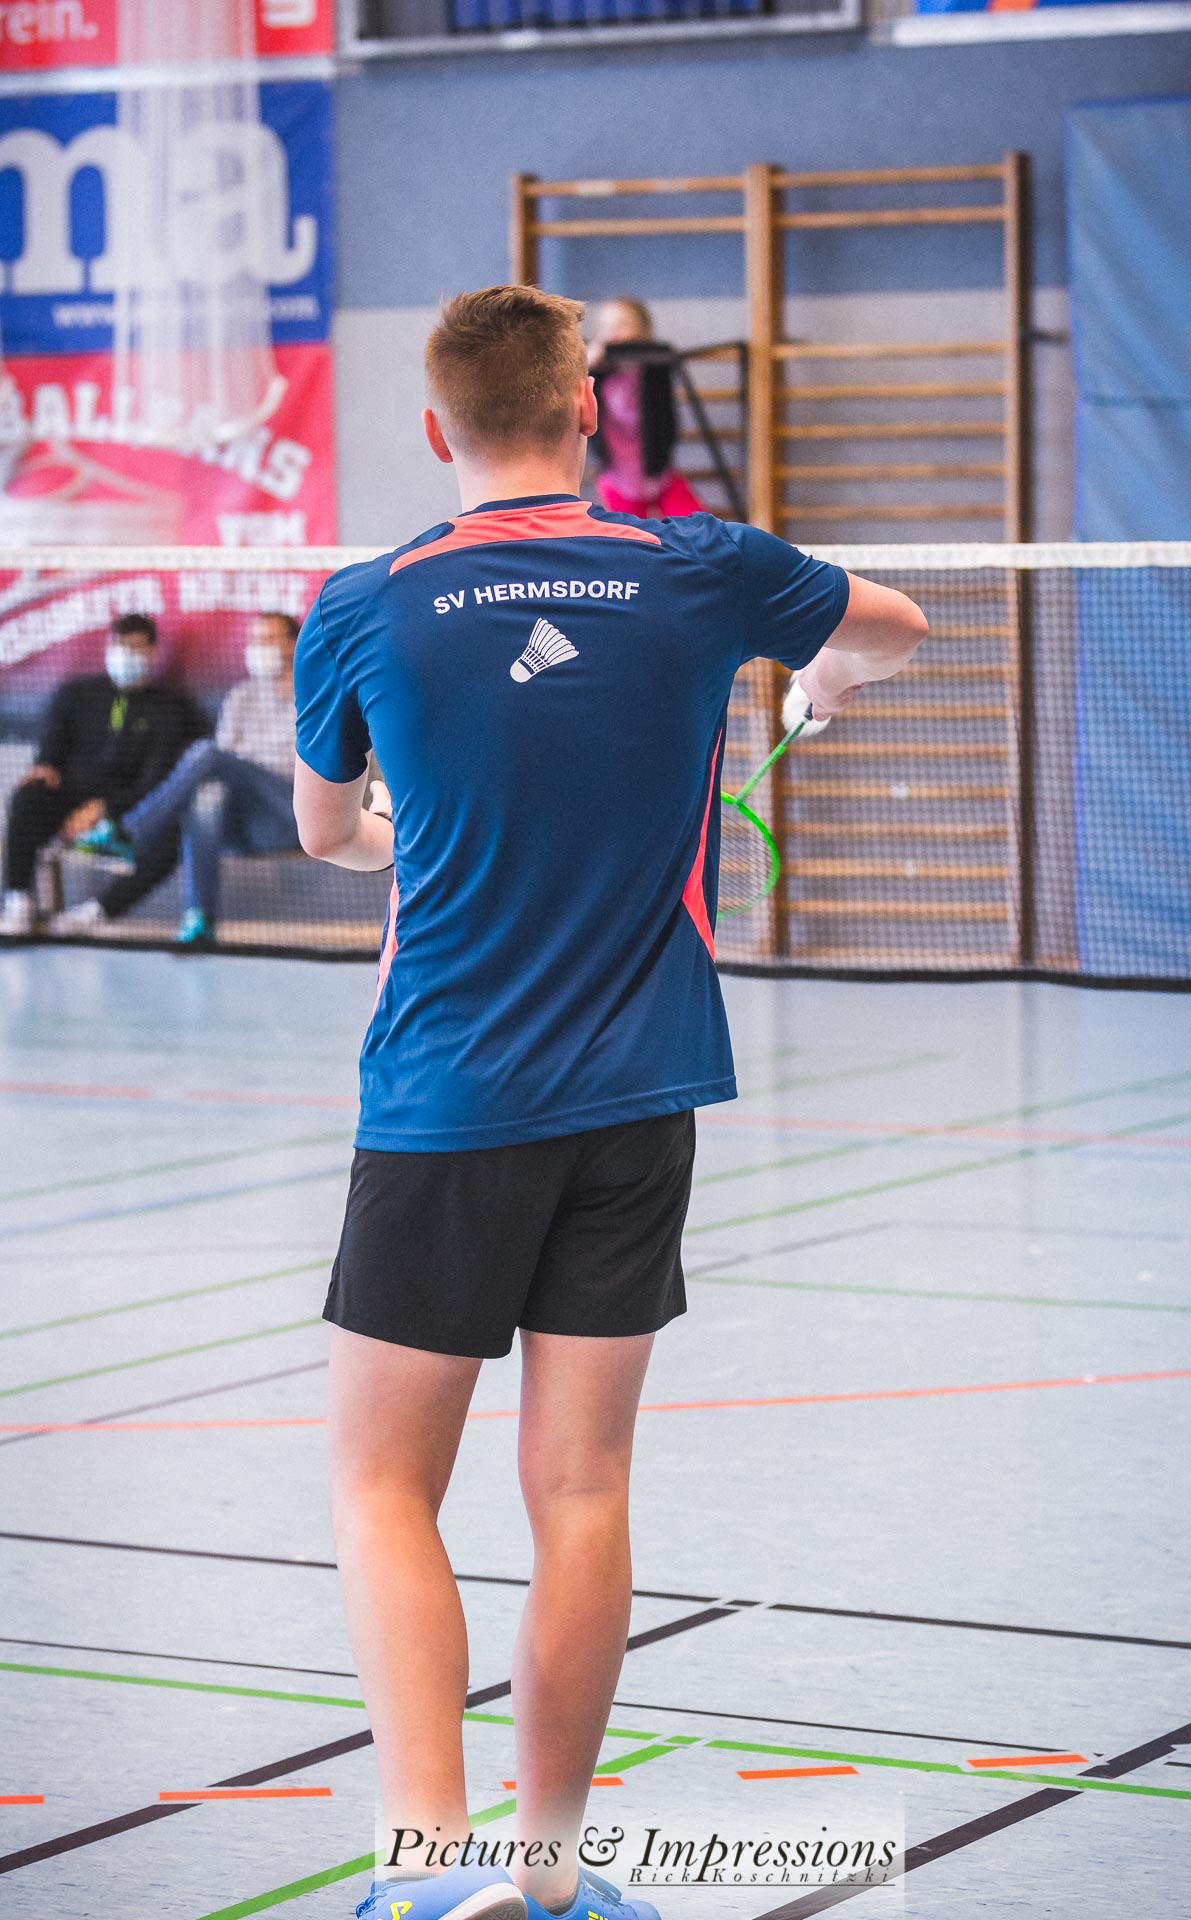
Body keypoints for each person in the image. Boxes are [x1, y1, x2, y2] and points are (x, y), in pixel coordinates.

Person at [291, 284, 926, 1920]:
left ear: (434, 429)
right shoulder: (699, 566)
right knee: (580, 1490)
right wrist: (826, 681)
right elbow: (896, 625)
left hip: (442, 1098)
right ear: (589, 411)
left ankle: (428, 1871)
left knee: (381, 1487)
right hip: (639, 1095)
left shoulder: (362, 604)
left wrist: (408, 836)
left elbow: (325, 835)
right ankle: (556, 1872)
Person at [51, 611, 304, 945]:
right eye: (255, 640)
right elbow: (227, 764)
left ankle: (130, 831)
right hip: (251, 825)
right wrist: (241, 761)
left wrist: (242, 760)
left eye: (269, 639)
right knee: (207, 796)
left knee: (206, 753)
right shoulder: (241, 698)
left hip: (294, 815)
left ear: (294, 644)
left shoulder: (314, 695)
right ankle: (199, 920)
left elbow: (294, 766)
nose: (259, 647)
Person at [0, 613, 207, 936]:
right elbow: (50, 754)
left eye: (135, 647)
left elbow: (158, 780)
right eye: (118, 645)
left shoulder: (171, 707)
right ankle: (18, 903)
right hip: (69, 801)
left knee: (174, 835)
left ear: (153, 652)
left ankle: (95, 912)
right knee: (29, 795)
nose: (125, 654)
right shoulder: (75, 694)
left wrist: (106, 808)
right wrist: (44, 766)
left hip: (130, 809)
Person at [586, 297, 704, 518]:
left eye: (622, 324)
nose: (613, 332)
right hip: (618, 480)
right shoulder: (598, 375)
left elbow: (664, 419)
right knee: (629, 535)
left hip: (659, 476)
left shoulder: (654, 371)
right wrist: (587, 366)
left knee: (697, 524)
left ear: (644, 332)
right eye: (605, 327)